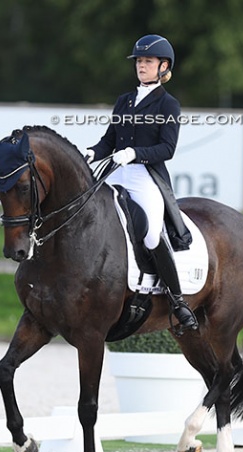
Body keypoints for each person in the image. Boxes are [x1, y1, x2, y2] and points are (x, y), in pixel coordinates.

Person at [85, 34, 198, 332]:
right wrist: (91, 153)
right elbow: (109, 140)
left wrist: (135, 153)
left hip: (145, 177)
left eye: (147, 61)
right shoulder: (124, 100)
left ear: (163, 66)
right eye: (139, 61)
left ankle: (177, 301)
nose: (141, 66)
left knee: (149, 233)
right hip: (117, 172)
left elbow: (167, 149)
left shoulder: (168, 104)